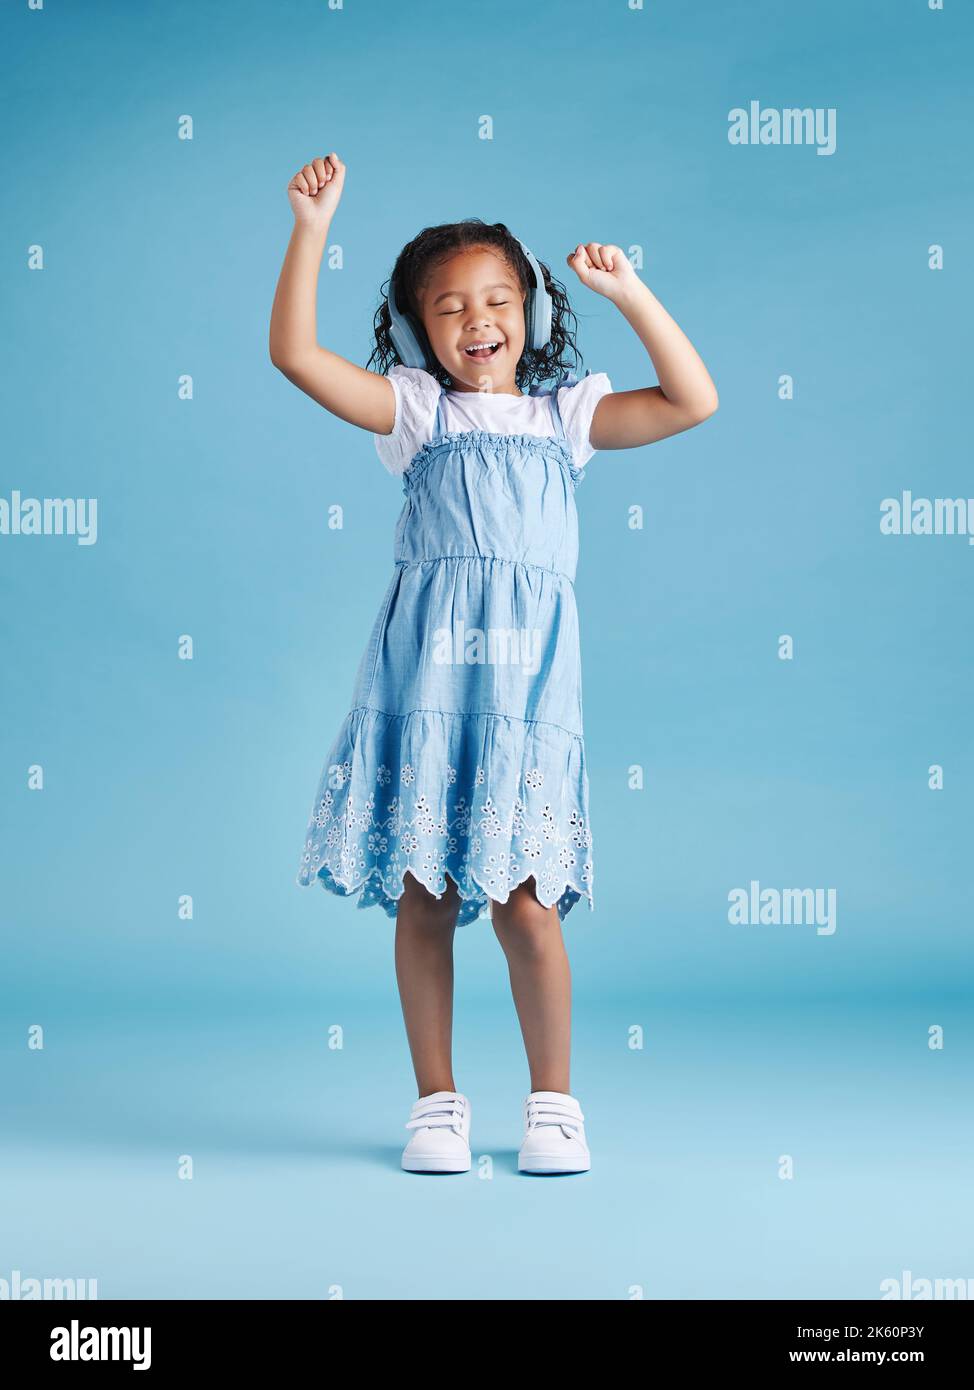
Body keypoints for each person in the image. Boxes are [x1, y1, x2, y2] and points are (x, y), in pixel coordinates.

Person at [269, 153, 718, 1176]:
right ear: (418, 328)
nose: (477, 319)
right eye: (447, 307)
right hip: (426, 689)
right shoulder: (419, 417)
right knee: (423, 892)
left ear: (532, 312)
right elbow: (295, 354)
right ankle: (436, 1104)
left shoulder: (565, 422)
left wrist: (628, 289)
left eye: (498, 299)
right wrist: (310, 228)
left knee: (525, 896)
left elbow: (692, 400)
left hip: (525, 698)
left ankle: (553, 1105)